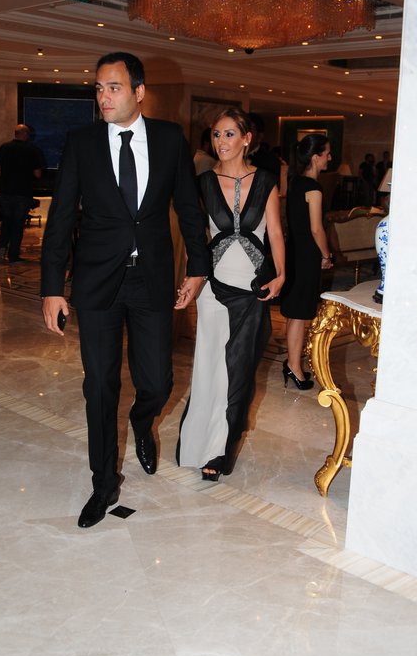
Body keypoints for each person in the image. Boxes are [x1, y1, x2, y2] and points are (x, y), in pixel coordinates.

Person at [40, 51, 210, 529]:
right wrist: (52, 287)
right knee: (99, 385)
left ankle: (141, 420)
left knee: (157, 381)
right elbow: (61, 217)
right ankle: (103, 483)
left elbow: (188, 208)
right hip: (96, 282)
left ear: (139, 91)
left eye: (113, 87)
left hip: (150, 278)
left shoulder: (170, 139)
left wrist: (198, 268)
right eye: (98, 88)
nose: (103, 97)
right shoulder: (82, 143)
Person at [176, 108, 285, 481]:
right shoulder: (201, 183)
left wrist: (281, 275)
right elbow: (194, 239)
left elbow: (275, 232)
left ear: (246, 138)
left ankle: (221, 447)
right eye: (216, 135)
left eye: (229, 134)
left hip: (252, 288)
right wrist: (191, 278)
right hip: (214, 288)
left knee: (238, 370)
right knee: (210, 366)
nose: (221, 142)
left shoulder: (266, 181)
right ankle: (202, 446)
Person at [279, 133, 334, 390]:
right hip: (306, 256)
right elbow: (316, 229)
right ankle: (294, 367)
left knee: (294, 313)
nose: (329, 158)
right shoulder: (313, 188)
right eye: (327, 153)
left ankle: (292, 363)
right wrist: (326, 255)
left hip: (293, 253)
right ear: (315, 157)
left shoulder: (295, 182)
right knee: (300, 315)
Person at [0, 125, 44, 264]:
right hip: (23, 192)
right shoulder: (32, 150)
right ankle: (13, 256)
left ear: (16, 133)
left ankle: (2, 249)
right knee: (17, 224)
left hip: (5, 191)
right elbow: (37, 174)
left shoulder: (4, 147)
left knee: (7, 221)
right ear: (26, 134)